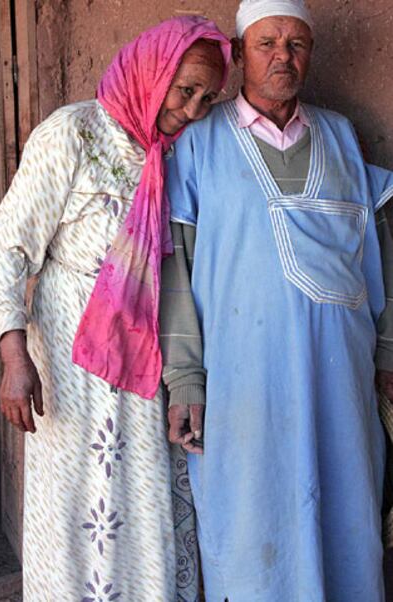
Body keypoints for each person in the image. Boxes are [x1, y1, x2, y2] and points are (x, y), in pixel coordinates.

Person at [0, 16, 230, 602]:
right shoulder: (72, 133)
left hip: (146, 360)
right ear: (152, 71)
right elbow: (8, 249)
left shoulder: (174, 153)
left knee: (142, 502)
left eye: (206, 97)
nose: (194, 109)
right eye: (184, 89)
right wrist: (14, 357)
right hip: (71, 364)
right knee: (74, 504)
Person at [160, 1, 393, 600]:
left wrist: (388, 349)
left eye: (296, 44)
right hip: (243, 390)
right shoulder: (199, 145)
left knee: (347, 520)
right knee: (250, 532)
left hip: (340, 386)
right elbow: (175, 267)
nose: (282, 57)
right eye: (266, 44)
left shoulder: (340, 135)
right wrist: (185, 376)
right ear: (238, 55)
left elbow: (381, 248)